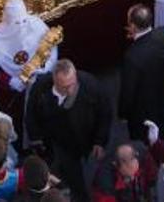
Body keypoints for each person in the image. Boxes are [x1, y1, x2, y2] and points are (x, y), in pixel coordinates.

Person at [26, 59, 114, 200]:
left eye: (73, 84)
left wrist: (100, 141)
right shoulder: (40, 88)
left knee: (77, 177)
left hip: (81, 140)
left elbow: (105, 113)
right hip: (54, 140)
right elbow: (31, 115)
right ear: (55, 80)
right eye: (65, 86)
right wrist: (36, 140)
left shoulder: (91, 86)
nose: (71, 90)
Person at [0, 0, 57, 128]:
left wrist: (45, 67)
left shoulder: (36, 25)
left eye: (24, 21)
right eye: (16, 23)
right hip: (13, 91)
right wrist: (12, 81)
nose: (21, 26)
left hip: (38, 80)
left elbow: (50, 47)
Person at [117, 5, 164, 141]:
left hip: (143, 110)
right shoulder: (163, 34)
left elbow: (128, 91)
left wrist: (123, 113)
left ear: (132, 26)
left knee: (145, 141)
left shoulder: (132, 56)